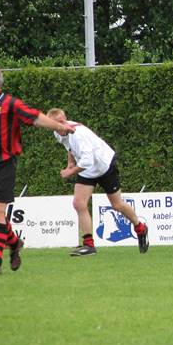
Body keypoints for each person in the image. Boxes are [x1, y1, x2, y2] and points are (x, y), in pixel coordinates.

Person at [0, 65, 77, 274]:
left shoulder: (10, 103)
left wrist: (60, 127)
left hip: (3, 165)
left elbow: (35, 117)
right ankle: (14, 242)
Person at [47, 108, 149, 256]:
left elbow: (87, 161)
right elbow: (69, 148)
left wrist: (70, 172)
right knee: (79, 203)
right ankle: (89, 246)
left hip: (104, 165)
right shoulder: (58, 132)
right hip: (87, 170)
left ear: (65, 120)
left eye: (61, 122)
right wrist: (70, 163)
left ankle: (140, 228)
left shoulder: (78, 135)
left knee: (117, 204)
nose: (60, 126)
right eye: (55, 124)